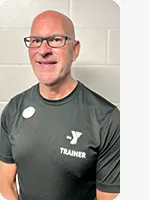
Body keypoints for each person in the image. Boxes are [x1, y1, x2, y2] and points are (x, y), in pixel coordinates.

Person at [0, 10, 120, 200]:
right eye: (35, 41)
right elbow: (5, 182)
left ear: (75, 50)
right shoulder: (14, 108)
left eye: (56, 40)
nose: (43, 50)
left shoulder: (107, 119)